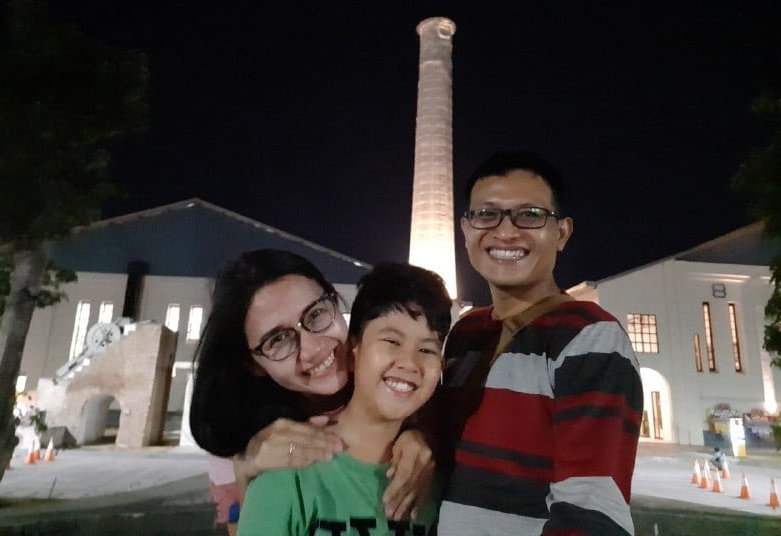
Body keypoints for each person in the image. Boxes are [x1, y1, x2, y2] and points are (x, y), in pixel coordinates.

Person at [436, 151, 644, 535]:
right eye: (487, 214)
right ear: (465, 231)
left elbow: (590, 511)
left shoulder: (589, 336)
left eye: (529, 215)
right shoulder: (466, 333)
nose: (505, 232)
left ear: (561, 233)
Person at [189, 250, 434, 522]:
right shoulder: (237, 434)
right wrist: (245, 472)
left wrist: (415, 434)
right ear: (253, 365)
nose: (312, 349)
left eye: (316, 314)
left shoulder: (395, 379)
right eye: (278, 339)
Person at [238, 262, 451, 535]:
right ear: (352, 350)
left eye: (427, 350)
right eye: (392, 342)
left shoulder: (434, 480)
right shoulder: (289, 473)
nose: (409, 363)